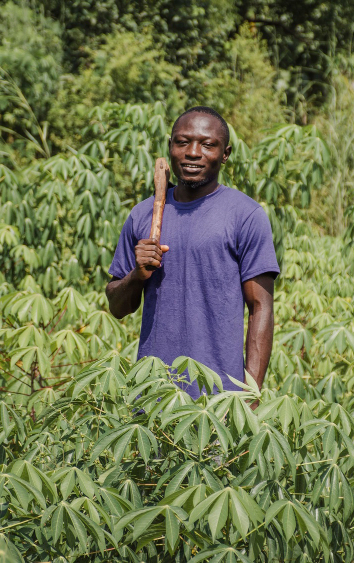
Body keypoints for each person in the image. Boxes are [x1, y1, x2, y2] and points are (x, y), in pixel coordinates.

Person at [106, 106, 279, 399]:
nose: (193, 152)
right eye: (182, 142)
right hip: (152, 394)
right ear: (170, 147)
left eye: (207, 144)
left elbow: (261, 307)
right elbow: (118, 307)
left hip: (220, 398)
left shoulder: (245, 215)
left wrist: (250, 395)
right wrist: (137, 275)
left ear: (225, 154)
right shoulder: (142, 215)